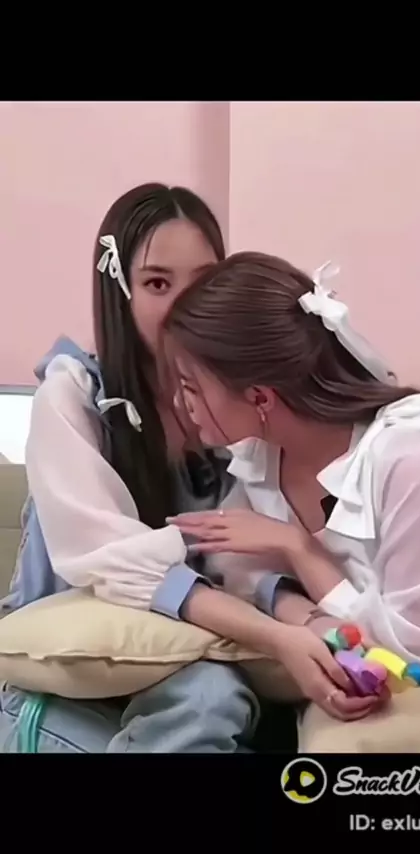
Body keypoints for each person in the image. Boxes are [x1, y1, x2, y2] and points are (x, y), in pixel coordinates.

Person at [0, 186, 337, 754]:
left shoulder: (236, 407)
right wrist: (277, 636)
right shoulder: (73, 395)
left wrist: (307, 620)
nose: (184, 304)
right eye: (158, 283)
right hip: (63, 688)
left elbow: (241, 556)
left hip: (195, 676)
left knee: (226, 700)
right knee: (208, 696)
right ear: (120, 292)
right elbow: (111, 559)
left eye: (203, 281)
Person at [161, 251, 420, 716]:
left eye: (192, 386)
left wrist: (299, 549)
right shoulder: (261, 460)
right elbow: (233, 572)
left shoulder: (410, 463)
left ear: (260, 397)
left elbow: (417, 651)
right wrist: (306, 618)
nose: (180, 402)